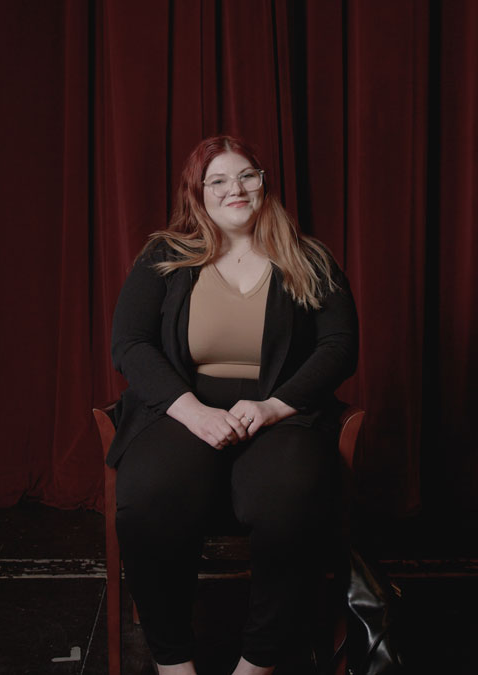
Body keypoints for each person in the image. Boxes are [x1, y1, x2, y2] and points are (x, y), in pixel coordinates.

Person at [108, 135, 358, 675]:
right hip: (182, 408)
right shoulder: (165, 255)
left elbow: (340, 347)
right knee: (147, 499)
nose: (234, 189)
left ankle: (258, 663)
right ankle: (174, 663)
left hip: (283, 412)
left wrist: (275, 406)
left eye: (245, 175)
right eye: (217, 180)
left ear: (263, 182)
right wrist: (193, 412)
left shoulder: (308, 257)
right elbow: (129, 343)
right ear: (198, 194)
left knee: (289, 503)